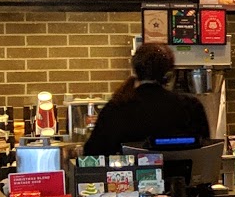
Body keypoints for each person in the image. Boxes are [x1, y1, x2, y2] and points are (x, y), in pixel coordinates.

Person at [82, 42, 211, 156]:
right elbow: (205, 150)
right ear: (168, 74)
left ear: (135, 70)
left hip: (130, 176)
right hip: (182, 176)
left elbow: (93, 153)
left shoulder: (116, 108)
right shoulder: (190, 106)